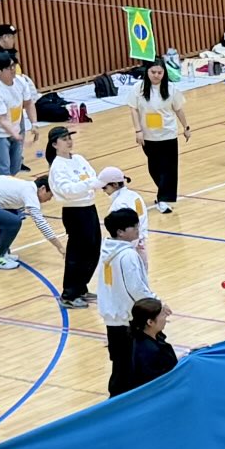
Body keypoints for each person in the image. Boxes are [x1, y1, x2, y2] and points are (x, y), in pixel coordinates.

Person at [41, 127, 102, 308]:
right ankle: (69, 294)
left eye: (69, 138)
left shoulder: (79, 159)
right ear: (54, 144)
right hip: (75, 212)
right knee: (78, 253)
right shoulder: (57, 166)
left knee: (93, 249)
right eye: (64, 139)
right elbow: (68, 191)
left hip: (89, 208)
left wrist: (88, 184)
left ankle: (81, 287)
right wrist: (88, 184)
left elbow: (93, 177)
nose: (69, 141)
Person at [97, 208, 154, 389]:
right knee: (130, 368)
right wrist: (155, 304)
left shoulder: (107, 249)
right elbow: (136, 288)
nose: (138, 228)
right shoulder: (127, 255)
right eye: (133, 226)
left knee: (120, 366)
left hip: (113, 318)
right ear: (121, 232)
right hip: (128, 319)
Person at [130, 63, 191, 212]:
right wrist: (138, 130)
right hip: (148, 135)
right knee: (154, 168)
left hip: (168, 134)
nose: (156, 75)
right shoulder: (139, 88)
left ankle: (163, 199)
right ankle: (163, 191)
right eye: (153, 72)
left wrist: (186, 127)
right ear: (147, 72)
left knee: (168, 169)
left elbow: (178, 109)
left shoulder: (171, 89)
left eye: (159, 72)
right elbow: (133, 109)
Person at [120, 299, 180, 394]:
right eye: (162, 314)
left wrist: (189, 354)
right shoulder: (149, 351)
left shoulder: (151, 337)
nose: (166, 316)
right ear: (150, 322)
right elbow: (162, 379)